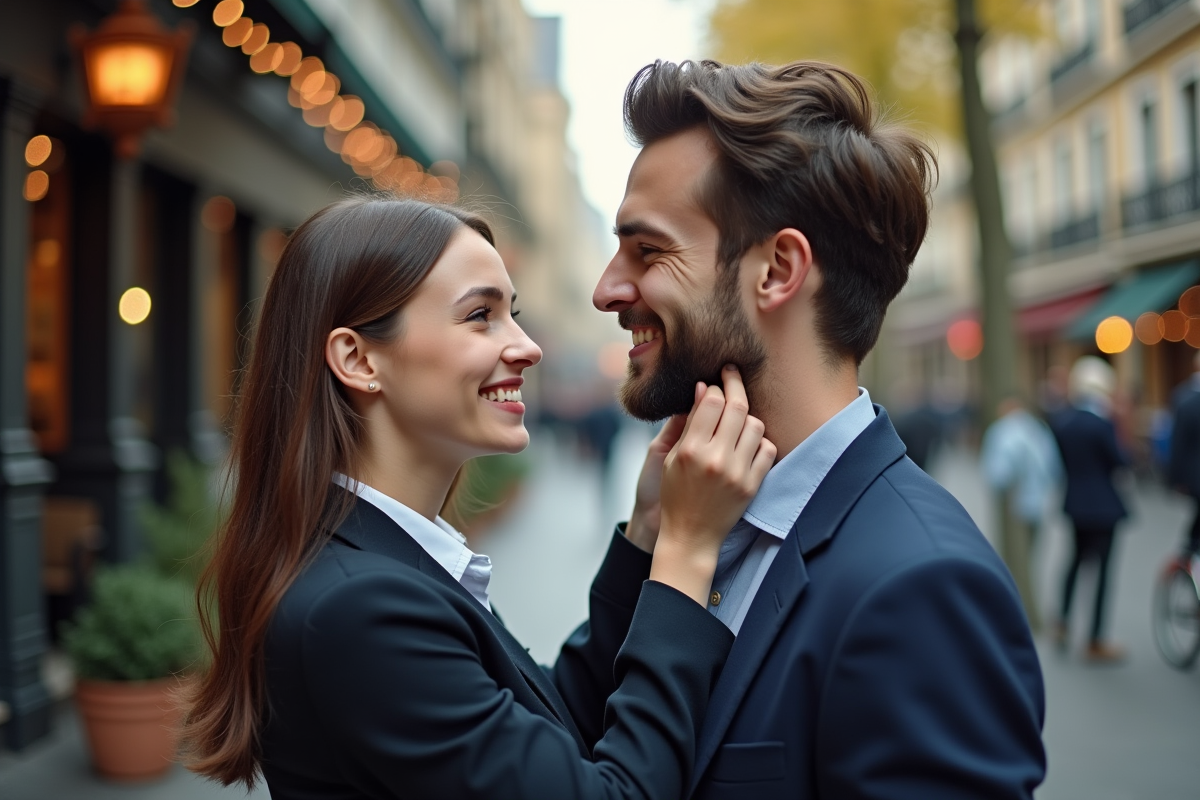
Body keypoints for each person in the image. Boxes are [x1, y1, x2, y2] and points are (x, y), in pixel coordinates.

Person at [180, 197, 777, 799]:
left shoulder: (383, 562)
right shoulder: (361, 609)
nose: (527, 347)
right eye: (479, 316)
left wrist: (649, 532)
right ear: (359, 359)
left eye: (511, 313)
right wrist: (686, 553)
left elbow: (549, 721)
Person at [593, 60, 1046, 798]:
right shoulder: (692, 520)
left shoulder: (923, 588)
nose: (607, 288)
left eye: (648, 251)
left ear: (778, 270)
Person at [1049, 356, 1129, 662]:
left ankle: (1063, 622)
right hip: (1105, 507)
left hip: (1075, 503)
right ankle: (1095, 638)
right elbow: (1120, 461)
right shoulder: (1102, 423)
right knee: (1103, 573)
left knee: (1074, 563)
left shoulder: (1063, 421)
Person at [981, 396, 1064, 624]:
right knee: (1031, 555)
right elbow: (1053, 466)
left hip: (1013, 504)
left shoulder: (1002, 431)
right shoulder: (1038, 429)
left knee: (1013, 558)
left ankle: (1015, 610)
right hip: (1037, 503)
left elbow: (998, 473)